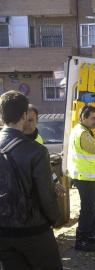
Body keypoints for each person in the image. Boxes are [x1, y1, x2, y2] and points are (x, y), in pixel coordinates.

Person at [0, 91, 62, 269]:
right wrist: (54, 218)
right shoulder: (36, 151)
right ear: (24, 115)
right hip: (33, 229)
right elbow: (45, 193)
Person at [67, 105, 95, 252]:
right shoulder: (82, 133)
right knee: (87, 208)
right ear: (83, 117)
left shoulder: (85, 130)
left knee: (90, 207)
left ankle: (90, 235)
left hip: (87, 175)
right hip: (84, 176)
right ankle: (81, 240)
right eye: (93, 118)